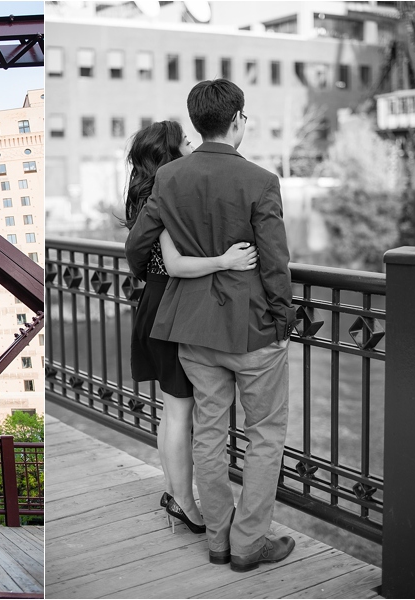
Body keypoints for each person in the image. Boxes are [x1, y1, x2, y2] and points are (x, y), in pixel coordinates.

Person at [125, 79, 297, 572]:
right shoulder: (261, 180)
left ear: (197, 123)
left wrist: (163, 273)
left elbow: (138, 247)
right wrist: (282, 317)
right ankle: (248, 544)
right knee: (264, 435)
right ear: (238, 118)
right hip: (253, 330)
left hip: (193, 330)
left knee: (209, 432)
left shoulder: (171, 177)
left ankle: (218, 540)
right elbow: (274, 261)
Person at [124, 120, 258, 533]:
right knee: (181, 411)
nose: (191, 145)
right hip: (171, 306)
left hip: (158, 303)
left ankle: (174, 491)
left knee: (173, 410)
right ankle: (183, 500)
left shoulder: (151, 193)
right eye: (184, 141)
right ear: (170, 152)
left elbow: (143, 257)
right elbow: (177, 264)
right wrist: (225, 261)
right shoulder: (165, 194)